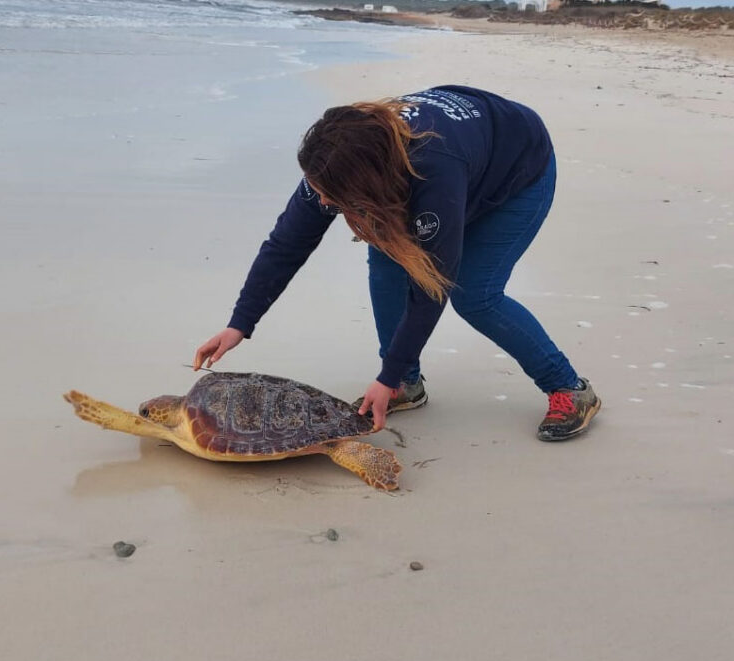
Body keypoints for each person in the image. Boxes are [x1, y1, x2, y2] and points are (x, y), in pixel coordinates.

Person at [193, 85, 600, 441]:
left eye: (329, 195)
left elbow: (432, 287)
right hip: (464, 156)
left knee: (476, 295)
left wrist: (384, 376)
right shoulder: (330, 165)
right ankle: (407, 383)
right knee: (386, 260)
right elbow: (286, 244)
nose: (322, 200)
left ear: (364, 184)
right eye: (317, 189)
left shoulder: (433, 173)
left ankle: (568, 387)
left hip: (518, 168)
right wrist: (240, 322)